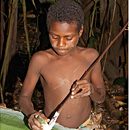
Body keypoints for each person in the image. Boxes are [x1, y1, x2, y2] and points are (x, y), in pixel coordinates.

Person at [19, 0, 106, 130]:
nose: (60, 44)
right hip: (52, 127)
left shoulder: (91, 57)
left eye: (68, 38)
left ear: (80, 31)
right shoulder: (40, 60)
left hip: (86, 126)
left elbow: (101, 97)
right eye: (54, 36)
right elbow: (24, 97)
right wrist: (32, 114)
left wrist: (91, 90)